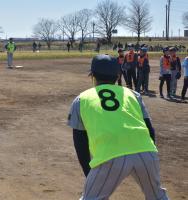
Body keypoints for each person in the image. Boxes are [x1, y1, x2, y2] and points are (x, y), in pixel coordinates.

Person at [68, 54, 168, 200]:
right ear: (118, 75)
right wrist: (149, 155)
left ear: (93, 75)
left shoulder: (81, 99)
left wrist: (89, 173)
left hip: (110, 155)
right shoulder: (133, 94)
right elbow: (150, 129)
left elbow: (80, 142)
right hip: (145, 150)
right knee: (157, 196)